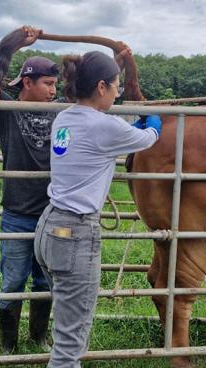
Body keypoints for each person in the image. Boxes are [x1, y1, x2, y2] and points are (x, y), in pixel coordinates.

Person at [34, 50, 162, 367]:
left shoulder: (64, 118)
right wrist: (154, 124)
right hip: (75, 235)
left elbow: (102, 137)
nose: (119, 92)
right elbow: (147, 139)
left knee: (68, 322)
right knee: (70, 344)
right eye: (117, 86)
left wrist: (128, 126)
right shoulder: (104, 126)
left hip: (48, 229)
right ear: (102, 86)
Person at [0, 25, 58, 354]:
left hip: (52, 214)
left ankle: (37, 337)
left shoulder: (60, 112)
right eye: (48, 84)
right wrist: (12, 43)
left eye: (55, 85)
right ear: (27, 82)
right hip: (18, 214)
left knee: (45, 281)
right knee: (12, 281)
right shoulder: (5, 110)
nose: (53, 91)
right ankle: (8, 345)